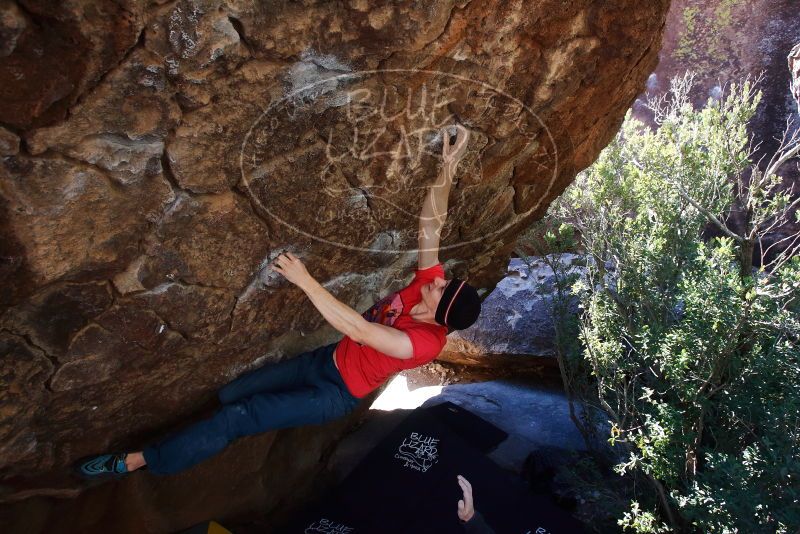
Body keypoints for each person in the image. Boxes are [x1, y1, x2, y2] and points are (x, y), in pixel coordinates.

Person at [77, 125, 482, 478]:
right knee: (234, 394)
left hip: (333, 394)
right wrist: (450, 165)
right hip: (324, 360)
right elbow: (432, 225)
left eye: (442, 288)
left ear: (438, 312)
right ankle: (191, 438)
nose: (439, 279)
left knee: (240, 416)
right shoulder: (428, 284)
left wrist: (305, 280)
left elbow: (359, 329)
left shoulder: (424, 343)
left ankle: (135, 463)